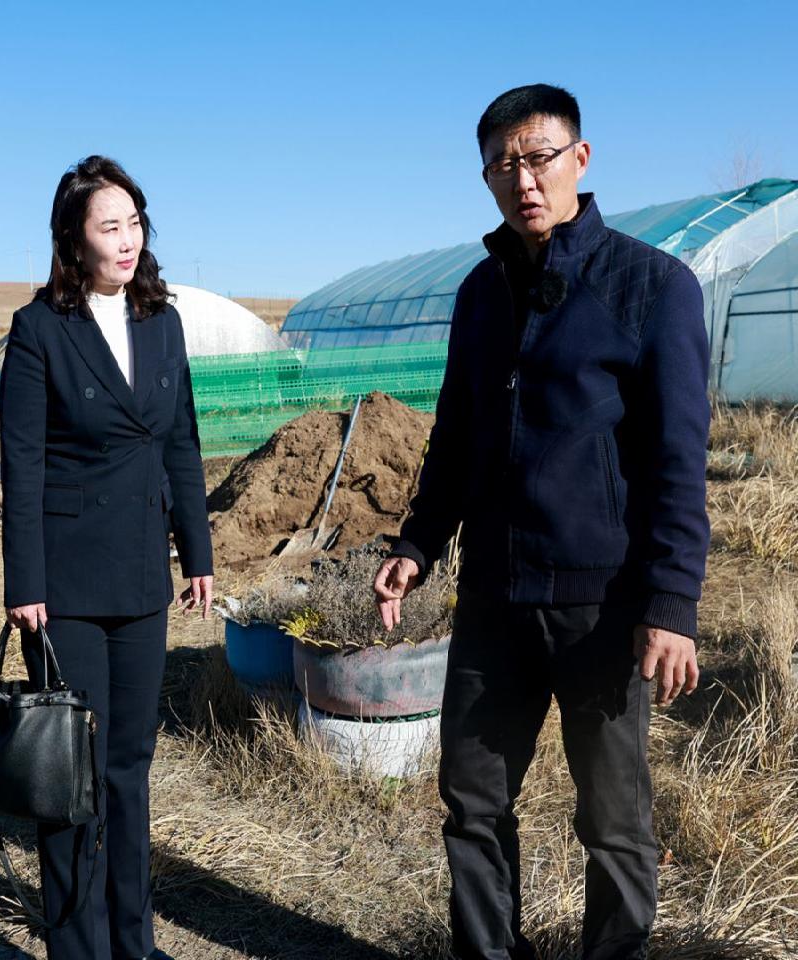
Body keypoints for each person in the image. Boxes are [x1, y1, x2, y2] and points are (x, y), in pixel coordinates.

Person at [374, 84, 710, 959]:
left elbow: (679, 461)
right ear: (485, 177)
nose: (523, 180)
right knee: (472, 803)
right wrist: (418, 541)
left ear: (580, 159)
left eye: (539, 158)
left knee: (614, 818)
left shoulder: (651, 286)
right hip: (494, 598)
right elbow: (456, 435)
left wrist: (672, 603)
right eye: (502, 165)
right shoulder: (480, 293)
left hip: (602, 604)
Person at [0, 155, 214, 960]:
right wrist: (25, 582)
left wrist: (196, 551)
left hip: (141, 579)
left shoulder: (162, 321)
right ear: (74, 239)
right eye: (109, 226)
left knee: (130, 767)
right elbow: (21, 464)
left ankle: (135, 942)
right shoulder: (40, 329)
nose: (127, 241)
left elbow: (181, 442)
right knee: (71, 776)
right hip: (66, 589)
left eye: (135, 224)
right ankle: (76, 948)